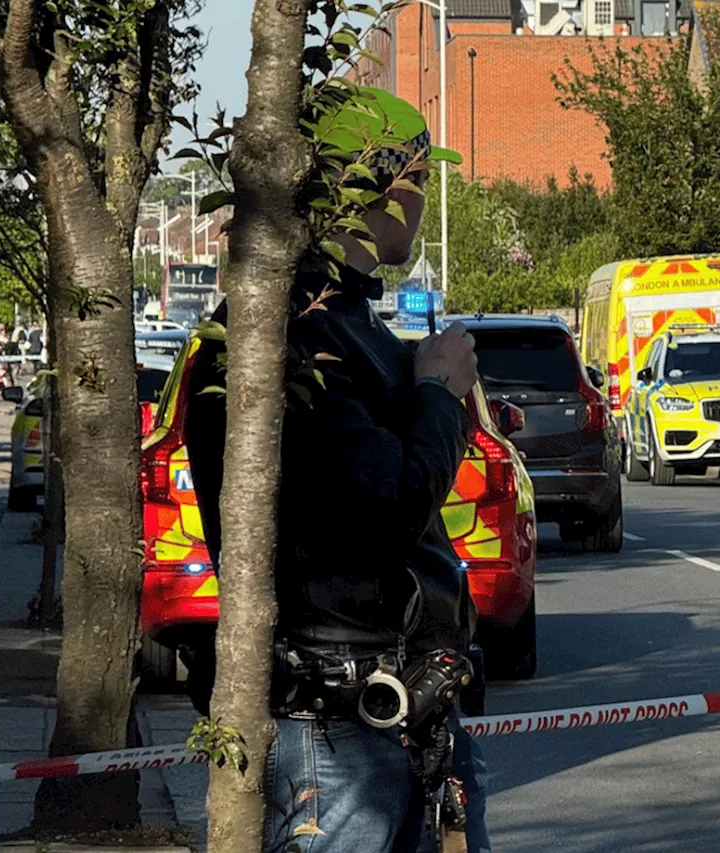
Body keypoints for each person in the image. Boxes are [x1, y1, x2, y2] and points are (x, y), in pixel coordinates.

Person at [182, 88, 490, 853]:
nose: (421, 202)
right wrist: (440, 394)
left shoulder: (322, 320)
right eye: (418, 179)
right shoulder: (300, 331)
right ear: (382, 186)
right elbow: (387, 502)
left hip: (382, 705)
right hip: (342, 715)